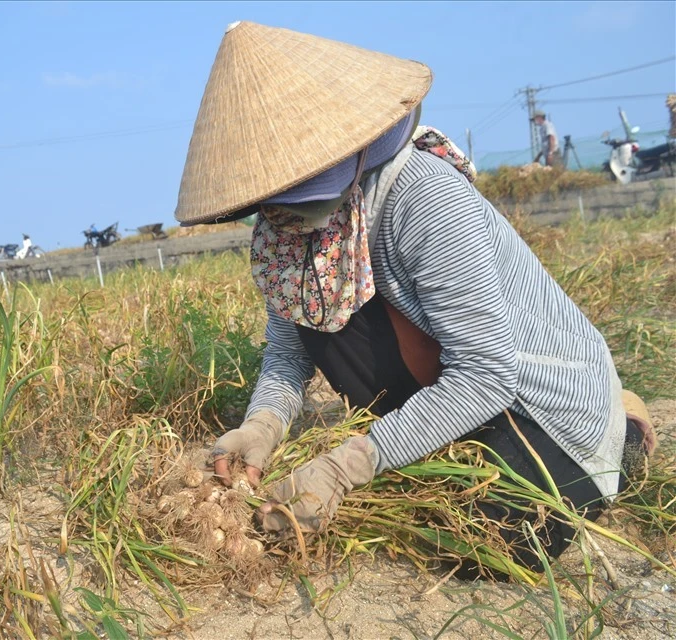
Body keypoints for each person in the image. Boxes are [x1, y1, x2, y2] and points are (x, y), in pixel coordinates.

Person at [173, 21, 655, 574]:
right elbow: (287, 355)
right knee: (420, 503)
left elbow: (486, 372)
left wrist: (345, 466)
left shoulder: (422, 198)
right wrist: (261, 427)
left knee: (493, 542)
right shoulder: (286, 239)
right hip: (446, 381)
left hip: (532, 396)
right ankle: (425, 435)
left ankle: (618, 432)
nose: (282, 218)